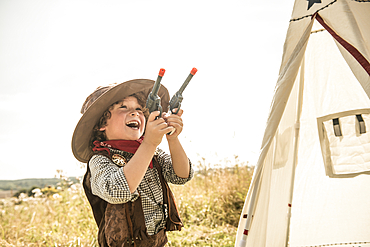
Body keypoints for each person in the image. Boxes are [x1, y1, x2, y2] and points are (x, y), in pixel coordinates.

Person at [71, 79, 193, 247]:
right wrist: (149, 143)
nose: (135, 113)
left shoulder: (152, 152)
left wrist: (173, 139)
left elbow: (181, 176)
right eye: (123, 107)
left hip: (157, 240)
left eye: (138, 109)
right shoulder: (100, 159)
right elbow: (117, 191)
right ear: (101, 124)